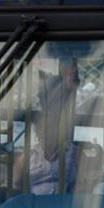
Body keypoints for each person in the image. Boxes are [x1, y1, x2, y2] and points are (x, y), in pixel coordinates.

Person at [14, 58, 79, 194]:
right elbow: (16, 189)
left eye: (51, 128)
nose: (46, 132)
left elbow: (83, 186)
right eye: (42, 128)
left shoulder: (74, 154)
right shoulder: (27, 157)